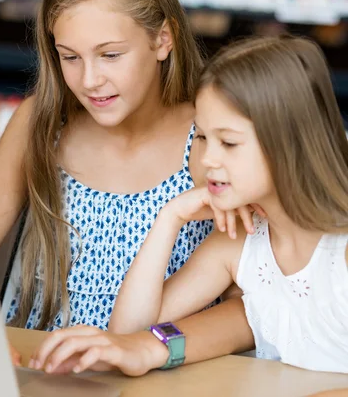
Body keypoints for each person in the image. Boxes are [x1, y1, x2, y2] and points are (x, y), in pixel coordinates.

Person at [0, 0, 256, 365]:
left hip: (168, 372)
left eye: (110, 55)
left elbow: (246, 308)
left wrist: (147, 348)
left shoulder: (211, 139)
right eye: (70, 57)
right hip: (42, 368)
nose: (89, 80)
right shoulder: (40, 126)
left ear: (162, 39)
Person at [31, 35, 348, 375]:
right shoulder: (240, 244)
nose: (208, 158)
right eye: (200, 136)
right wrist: (170, 218)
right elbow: (127, 331)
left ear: (289, 143)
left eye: (228, 142)